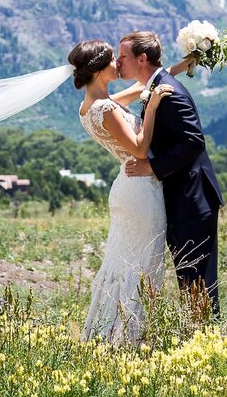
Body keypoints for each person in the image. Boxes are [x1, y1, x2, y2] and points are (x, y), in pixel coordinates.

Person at [68, 39, 189, 344]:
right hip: (139, 189)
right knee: (143, 262)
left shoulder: (89, 107)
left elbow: (141, 90)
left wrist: (179, 68)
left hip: (127, 188)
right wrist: (154, 108)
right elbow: (139, 148)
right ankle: (128, 338)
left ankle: (111, 333)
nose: (118, 64)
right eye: (112, 60)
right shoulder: (105, 108)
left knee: (123, 262)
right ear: (98, 69)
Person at [120, 30, 224, 318]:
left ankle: (208, 342)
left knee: (198, 280)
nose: (118, 62)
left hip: (192, 199)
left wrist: (151, 167)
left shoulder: (170, 92)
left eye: (123, 56)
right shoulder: (155, 87)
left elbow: (193, 142)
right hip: (180, 197)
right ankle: (200, 339)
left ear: (141, 59)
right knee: (188, 280)